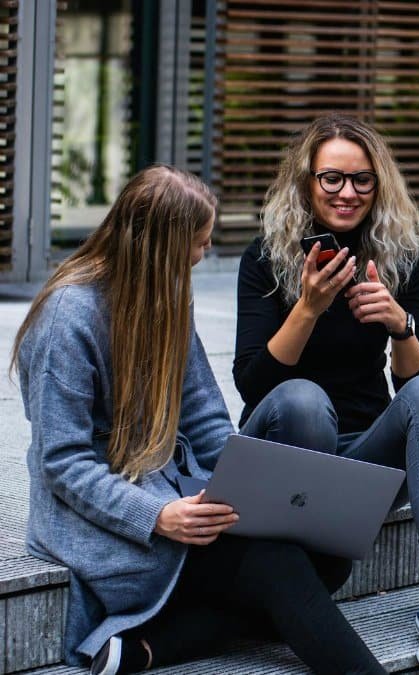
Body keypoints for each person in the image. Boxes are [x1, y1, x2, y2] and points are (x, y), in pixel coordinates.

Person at [13, 165, 388, 675]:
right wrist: (156, 516)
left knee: (328, 559)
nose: (205, 252)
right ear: (162, 246)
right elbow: (63, 463)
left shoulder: (167, 296)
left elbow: (207, 419)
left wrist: (247, 490)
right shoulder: (68, 317)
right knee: (276, 567)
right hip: (102, 517)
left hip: (176, 492)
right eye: (200, 241)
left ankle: (152, 647)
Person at [233, 113, 419, 675]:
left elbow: (417, 386)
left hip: (361, 462)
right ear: (307, 181)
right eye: (331, 178)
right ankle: (297, 578)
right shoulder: (266, 257)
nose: (347, 193)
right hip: (285, 450)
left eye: (362, 179)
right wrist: (309, 307)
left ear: (379, 183)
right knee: (304, 401)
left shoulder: (399, 257)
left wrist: (399, 325)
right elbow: (253, 384)